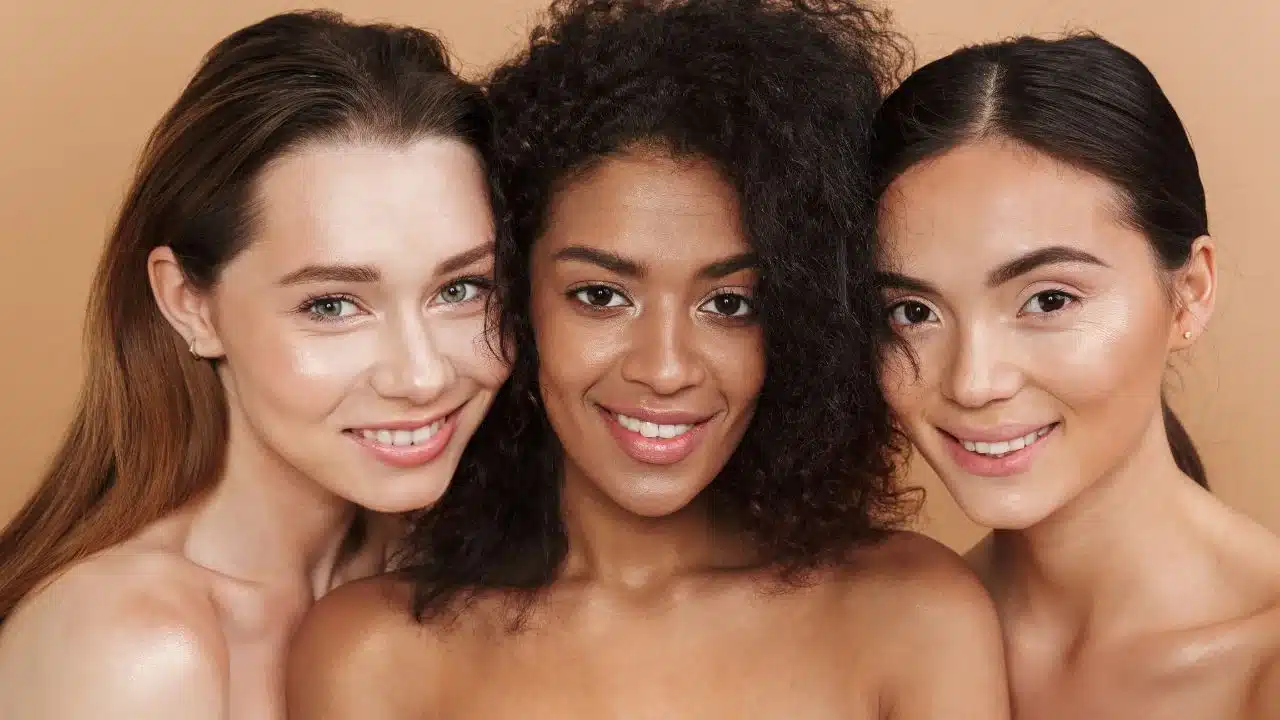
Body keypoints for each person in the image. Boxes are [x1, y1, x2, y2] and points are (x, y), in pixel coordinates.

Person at [287, 1, 1011, 718]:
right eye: (601, 295)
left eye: (729, 303)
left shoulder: (912, 617)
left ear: (801, 322)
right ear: (515, 299)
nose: (665, 369)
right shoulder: (376, 652)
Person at [0, 10, 508, 719]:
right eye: (332, 305)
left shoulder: (448, 565)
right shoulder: (135, 653)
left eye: (460, 289)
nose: (422, 376)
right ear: (190, 304)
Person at [871, 32, 1280, 718]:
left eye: (1049, 300)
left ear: (1191, 293)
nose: (973, 383)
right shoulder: (878, 641)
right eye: (913, 312)